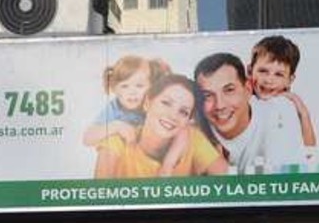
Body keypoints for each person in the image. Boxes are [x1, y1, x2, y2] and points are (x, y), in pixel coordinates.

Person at [93, 74, 229, 178]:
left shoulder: (193, 139)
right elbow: (99, 202)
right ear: (147, 102)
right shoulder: (116, 142)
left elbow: (230, 186)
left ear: (188, 120)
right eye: (166, 103)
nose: (172, 115)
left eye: (183, 112)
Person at [193, 52, 305, 174]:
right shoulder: (192, 130)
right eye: (207, 95)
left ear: (247, 89)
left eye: (229, 90)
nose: (219, 105)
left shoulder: (276, 117)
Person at [81, 54, 170, 149]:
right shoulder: (115, 108)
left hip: (150, 155)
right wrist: (116, 126)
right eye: (124, 86)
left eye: (139, 86)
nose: (132, 92)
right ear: (115, 89)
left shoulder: (154, 104)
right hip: (126, 157)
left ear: (151, 86)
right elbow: (87, 138)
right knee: (111, 142)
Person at [248, 35, 316, 152]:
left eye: (279, 74)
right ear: (250, 71)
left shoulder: (288, 106)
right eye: (263, 71)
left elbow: (310, 151)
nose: (269, 80)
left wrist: (303, 113)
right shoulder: (244, 99)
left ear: (289, 80)